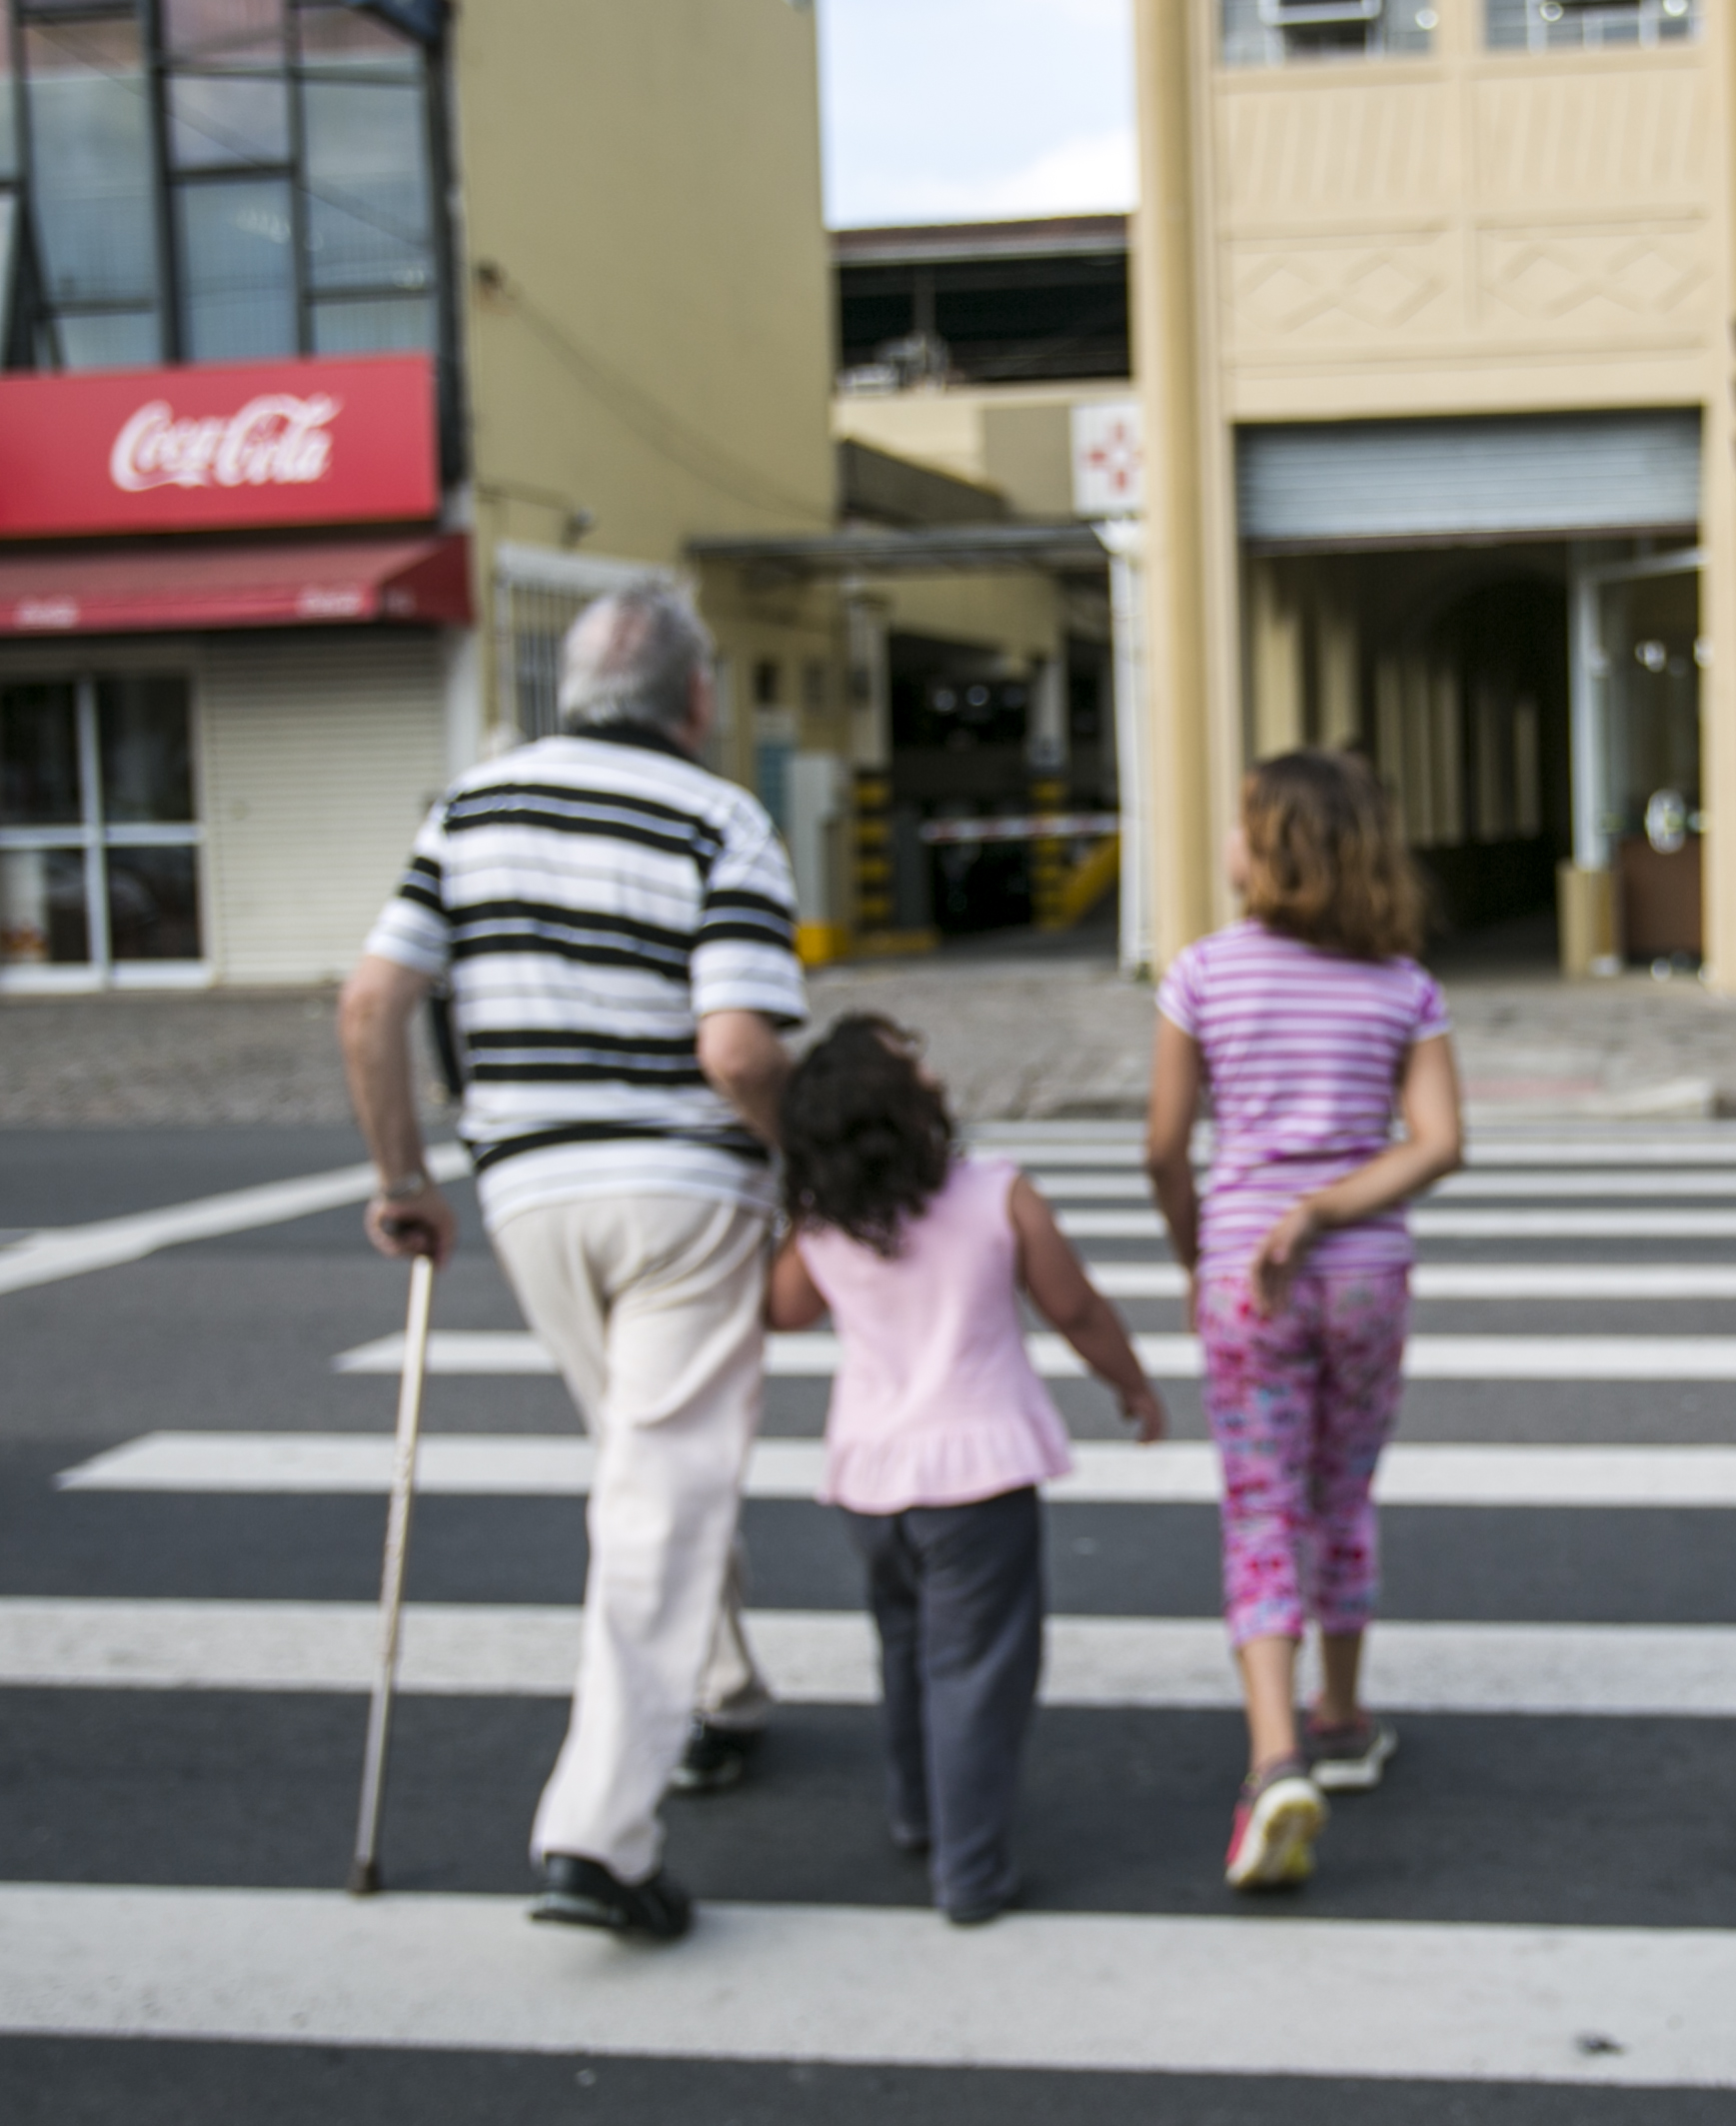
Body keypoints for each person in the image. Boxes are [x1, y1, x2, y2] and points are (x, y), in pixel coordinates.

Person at [339, 585, 802, 1943]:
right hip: (681, 1187)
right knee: (664, 1482)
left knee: (641, 1461)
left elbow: (373, 1002)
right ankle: (597, 1835)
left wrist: (402, 1179)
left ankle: (714, 1691)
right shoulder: (721, 817)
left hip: (530, 1188)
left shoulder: (471, 804)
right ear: (695, 698)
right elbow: (739, 1049)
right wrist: (807, 1166)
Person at [765, 1015, 1167, 1924]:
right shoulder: (996, 1193)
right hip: (978, 1474)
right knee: (978, 1671)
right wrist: (1132, 1385)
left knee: (905, 1652)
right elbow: (1074, 1307)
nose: (936, 1073)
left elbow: (782, 1311)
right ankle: (971, 1870)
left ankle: (918, 1813)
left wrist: (803, 1214)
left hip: (870, 1481)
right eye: (918, 1066)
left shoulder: (826, 1222)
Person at [1145, 750, 1464, 1891]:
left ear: (1277, 846)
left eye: (1241, 824)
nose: (1227, 844)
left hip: (1247, 1275)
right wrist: (1328, 1204)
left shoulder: (1201, 975)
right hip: (1368, 1270)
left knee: (1261, 1500)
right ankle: (1342, 1710)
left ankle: (1275, 1757)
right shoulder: (1402, 984)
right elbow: (1439, 1143)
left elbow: (1163, 1149)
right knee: (1342, 1488)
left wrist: (1208, 1251)